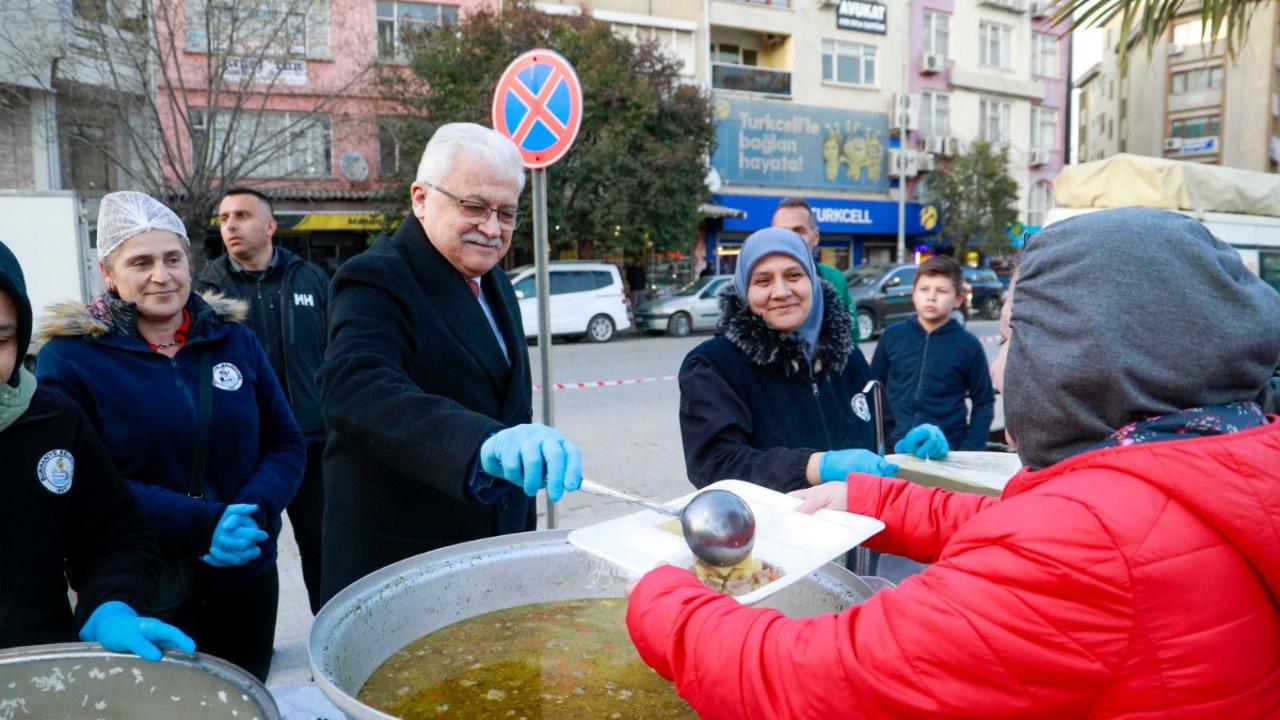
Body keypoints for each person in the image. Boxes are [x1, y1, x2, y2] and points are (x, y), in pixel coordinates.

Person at [626, 208, 1280, 718]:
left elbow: (817, 681)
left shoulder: (1089, 547)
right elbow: (1031, 524)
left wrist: (661, 598)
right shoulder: (1223, 451)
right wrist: (873, 496)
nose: (999, 370)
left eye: (1012, 339)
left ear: (1087, 354)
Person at [36, 191, 305, 682]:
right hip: (144, 585)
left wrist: (252, 513)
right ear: (109, 273)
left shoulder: (233, 340)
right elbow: (89, 484)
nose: (162, 275)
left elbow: (286, 442)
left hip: (246, 573)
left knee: (246, 699)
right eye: (141, 262)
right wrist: (203, 524)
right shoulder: (72, 359)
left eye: (173, 259)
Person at [318, 123, 583, 604]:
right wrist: (482, 444)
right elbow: (354, 387)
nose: (492, 228)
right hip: (409, 565)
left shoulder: (494, 280)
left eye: (506, 213)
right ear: (421, 198)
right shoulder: (376, 277)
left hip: (495, 548)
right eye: (474, 206)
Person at [0, 240, 195, 661]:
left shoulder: (53, 422)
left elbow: (117, 537)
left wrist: (111, 606)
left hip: (40, 672)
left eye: (0, 339)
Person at [677, 227, 948, 493]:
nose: (781, 291)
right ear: (743, 291)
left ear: (813, 282)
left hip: (860, 527)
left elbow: (878, 435)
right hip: (774, 533)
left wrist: (901, 447)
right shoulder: (713, 366)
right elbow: (715, 465)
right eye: (763, 281)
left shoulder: (845, 355)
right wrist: (818, 466)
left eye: (794, 275)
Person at [196, 187, 329, 615]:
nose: (230, 225)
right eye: (223, 217)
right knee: (249, 552)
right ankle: (252, 647)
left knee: (324, 549)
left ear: (270, 225)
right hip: (247, 453)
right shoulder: (207, 290)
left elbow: (337, 353)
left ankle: (326, 643)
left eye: (241, 215)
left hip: (314, 445)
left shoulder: (310, 278)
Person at [871, 255, 995, 451]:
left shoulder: (968, 345)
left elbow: (984, 403)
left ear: (958, 299)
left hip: (947, 448)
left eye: (942, 291)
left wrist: (968, 451)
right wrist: (880, 440)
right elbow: (875, 391)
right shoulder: (893, 336)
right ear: (913, 293)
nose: (931, 297)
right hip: (895, 447)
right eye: (924, 289)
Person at [771, 196, 857, 339]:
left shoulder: (835, 279)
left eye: (798, 230)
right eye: (783, 232)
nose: (792, 238)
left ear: (815, 236)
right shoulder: (756, 282)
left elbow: (851, 335)